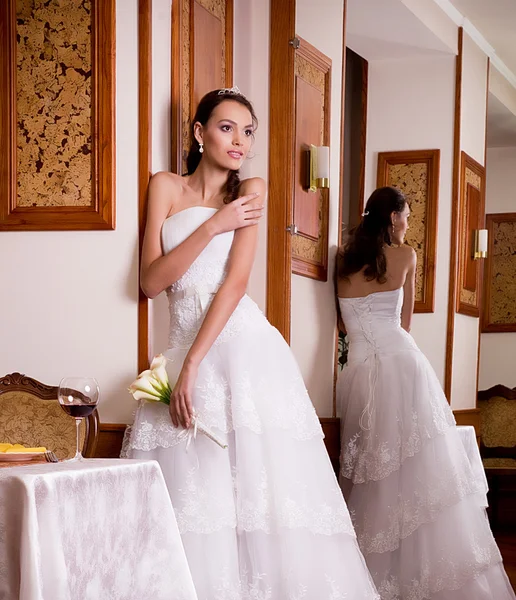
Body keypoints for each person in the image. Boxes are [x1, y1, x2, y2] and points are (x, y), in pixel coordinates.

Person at [123, 88, 379, 600]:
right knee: (196, 499)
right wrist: (215, 223)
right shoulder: (165, 187)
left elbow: (235, 282)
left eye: (247, 132)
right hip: (181, 346)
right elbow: (150, 282)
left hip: (242, 351)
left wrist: (192, 364)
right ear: (199, 133)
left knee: (263, 498)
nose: (239, 141)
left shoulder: (253, 188)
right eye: (226, 128)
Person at [335, 185, 515, 599]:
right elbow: (405, 321)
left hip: (358, 372)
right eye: (408, 217)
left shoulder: (343, 261)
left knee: (369, 475)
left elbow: (344, 327)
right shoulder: (407, 255)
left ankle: (371, 579)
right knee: (417, 472)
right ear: (393, 218)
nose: (408, 224)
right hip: (403, 364)